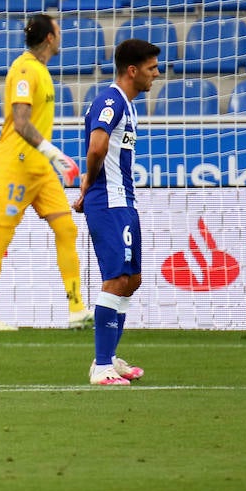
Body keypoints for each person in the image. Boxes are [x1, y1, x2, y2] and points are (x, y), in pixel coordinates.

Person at [0, 13, 91, 332]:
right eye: (58, 30)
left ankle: (76, 308)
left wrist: (50, 160)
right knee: (2, 235)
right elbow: (22, 122)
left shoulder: (41, 69)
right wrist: (56, 154)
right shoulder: (25, 69)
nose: (61, 34)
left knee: (67, 229)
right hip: (16, 165)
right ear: (50, 38)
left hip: (40, 169)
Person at [73, 38, 161, 386]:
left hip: (123, 200)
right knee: (116, 279)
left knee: (132, 279)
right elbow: (96, 146)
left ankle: (109, 358)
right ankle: (102, 365)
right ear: (132, 70)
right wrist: (88, 185)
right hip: (108, 201)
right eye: (151, 68)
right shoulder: (110, 101)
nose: (157, 73)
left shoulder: (127, 104)